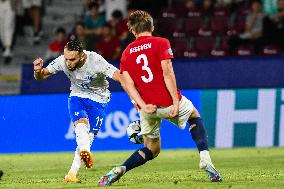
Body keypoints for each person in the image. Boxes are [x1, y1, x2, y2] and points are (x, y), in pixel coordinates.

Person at [97, 10, 222, 187]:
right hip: (168, 103)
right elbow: (168, 73)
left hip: (147, 108)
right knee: (194, 116)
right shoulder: (161, 43)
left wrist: (140, 105)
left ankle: (119, 169)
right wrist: (176, 102)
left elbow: (127, 84)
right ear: (152, 26)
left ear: (133, 31)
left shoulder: (126, 53)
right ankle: (205, 158)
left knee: (152, 149)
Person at [33, 40, 122, 183]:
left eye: (72, 59)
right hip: (77, 96)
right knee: (81, 126)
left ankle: (72, 173)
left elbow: (119, 76)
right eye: (66, 58)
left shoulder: (96, 60)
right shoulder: (62, 61)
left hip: (99, 99)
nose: (68, 63)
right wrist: (37, 71)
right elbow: (42, 75)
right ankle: (84, 151)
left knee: (88, 136)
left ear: (82, 56)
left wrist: (134, 96)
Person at [0, 0, 16, 64]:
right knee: (1, 28)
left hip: (10, 3)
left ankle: (8, 48)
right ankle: (5, 47)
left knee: (8, 25)